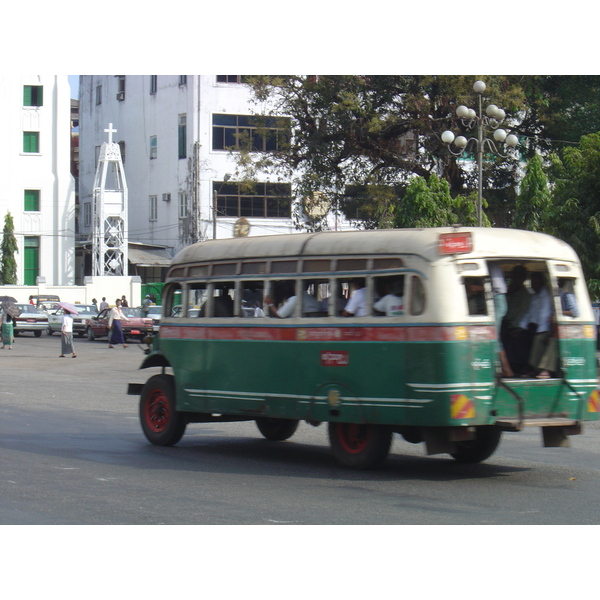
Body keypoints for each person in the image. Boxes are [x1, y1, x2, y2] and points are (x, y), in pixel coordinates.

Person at [519, 271, 556, 378]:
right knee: (519, 337)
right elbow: (528, 313)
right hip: (534, 325)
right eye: (532, 283)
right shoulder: (534, 296)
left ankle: (533, 367)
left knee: (538, 339)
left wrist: (537, 331)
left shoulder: (546, 295)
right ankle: (520, 366)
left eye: (536, 282)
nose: (534, 285)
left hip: (545, 327)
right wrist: (521, 327)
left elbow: (544, 315)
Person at [501, 265, 531, 375]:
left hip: (516, 326)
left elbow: (522, 312)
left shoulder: (524, 294)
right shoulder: (511, 291)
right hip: (506, 323)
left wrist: (515, 327)